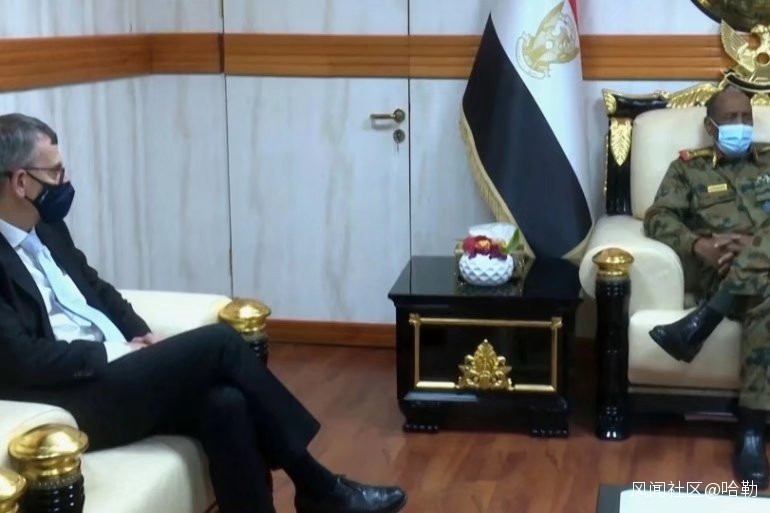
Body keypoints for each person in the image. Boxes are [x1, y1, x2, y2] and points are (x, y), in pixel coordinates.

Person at [0, 113, 407, 513]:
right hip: (71, 396)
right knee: (221, 343)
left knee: (225, 403)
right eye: (55, 173)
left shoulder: (48, 228)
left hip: (117, 369)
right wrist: (117, 352)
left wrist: (141, 335)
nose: (65, 182)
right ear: (21, 182)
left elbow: (98, 290)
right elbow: (24, 359)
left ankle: (313, 493)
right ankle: (318, 486)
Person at [644, 85, 770, 488]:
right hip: (724, 271)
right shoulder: (687, 169)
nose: (741, 125)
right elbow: (658, 218)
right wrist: (698, 245)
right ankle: (752, 429)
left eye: (746, 117)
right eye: (731, 118)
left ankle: (700, 324)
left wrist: (754, 245)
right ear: (711, 127)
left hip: (741, 270)